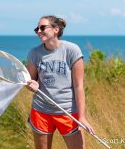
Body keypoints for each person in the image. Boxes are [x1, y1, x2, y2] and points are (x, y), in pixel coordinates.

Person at [26, 15, 95, 149]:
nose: (38, 31)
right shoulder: (34, 53)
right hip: (41, 111)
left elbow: (79, 85)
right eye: (37, 29)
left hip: (68, 111)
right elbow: (31, 81)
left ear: (56, 29)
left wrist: (82, 117)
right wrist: (31, 86)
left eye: (42, 27)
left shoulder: (72, 50)